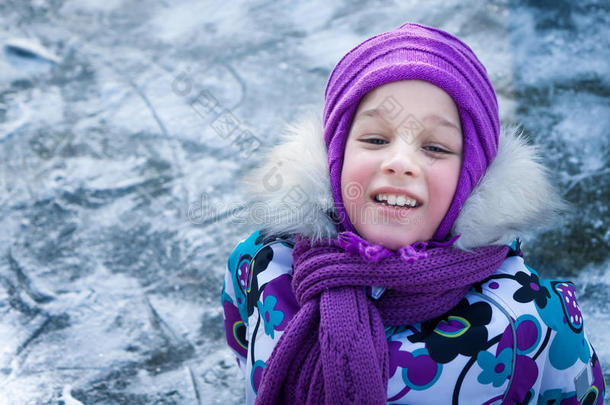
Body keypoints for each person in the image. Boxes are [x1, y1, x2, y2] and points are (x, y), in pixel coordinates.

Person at [220, 22, 606, 404]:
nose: (401, 162)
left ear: (471, 173)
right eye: (375, 139)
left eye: (435, 148)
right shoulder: (263, 264)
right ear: (334, 155)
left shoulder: (529, 317)